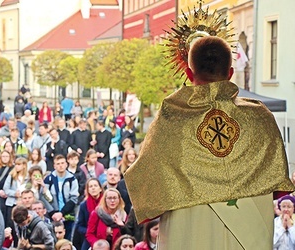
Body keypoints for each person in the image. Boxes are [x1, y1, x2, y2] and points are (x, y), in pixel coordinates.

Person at [124, 36, 294, 249]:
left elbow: (148, 195)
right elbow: (279, 188)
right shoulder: (261, 117)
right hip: (250, 234)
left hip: (190, 235)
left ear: (188, 73)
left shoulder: (171, 120)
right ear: (230, 73)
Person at [44, 155, 79, 240]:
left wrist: (62, 213)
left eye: (62, 163)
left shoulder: (72, 179)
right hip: (53, 215)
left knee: (68, 239)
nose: (60, 165)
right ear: (54, 166)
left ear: (66, 164)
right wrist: (53, 213)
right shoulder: (49, 179)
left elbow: (74, 199)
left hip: (68, 214)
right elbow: (45, 198)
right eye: (58, 164)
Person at [75, 178, 104, 250]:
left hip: (105, 236)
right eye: (90, 186)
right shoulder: (83, 205)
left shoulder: (106, 203)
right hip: (90, 237)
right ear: (87, 190)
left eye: (95, 186)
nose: (93, 188)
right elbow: (79, 226)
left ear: (100, 189)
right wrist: (89, 231)